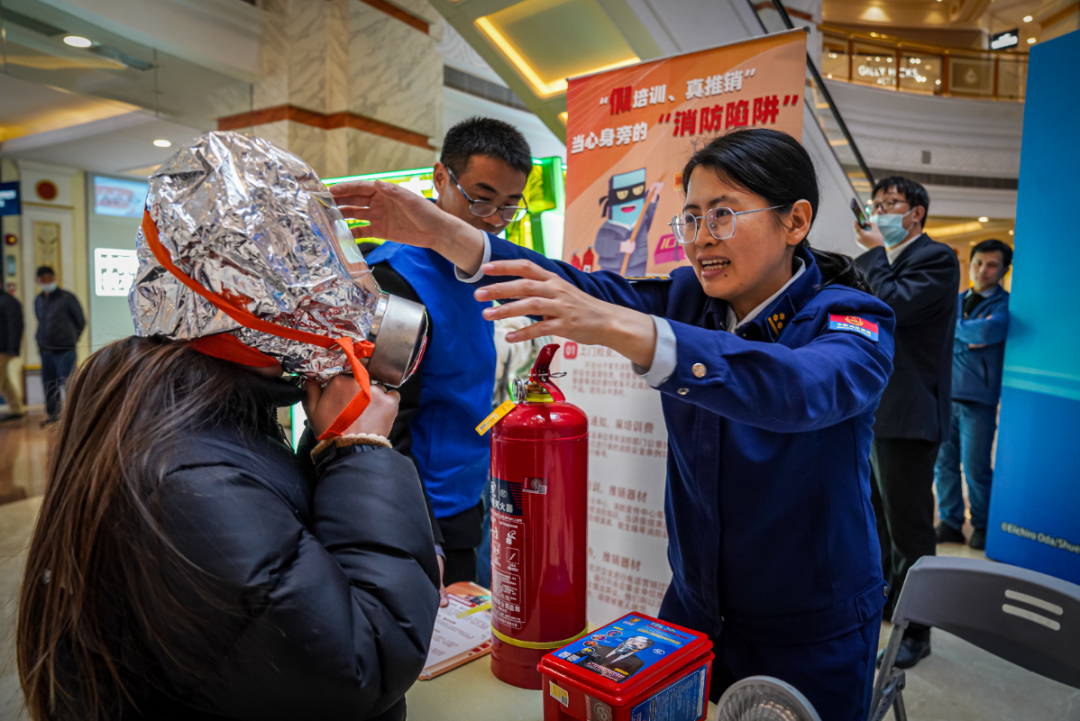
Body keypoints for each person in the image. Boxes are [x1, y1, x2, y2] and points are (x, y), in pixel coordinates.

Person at [333, 128, 897, 721]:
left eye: (724, 216)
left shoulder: (851, 316)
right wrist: (444, 233)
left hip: (809, 628)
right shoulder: (689, 299)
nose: (702, 240)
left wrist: (624, 328)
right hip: (693, 612)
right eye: (693, 218)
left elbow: (801, 389)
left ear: (795, 221)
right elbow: (573, 286)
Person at [17, 132, 440, 721]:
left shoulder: (194, 410)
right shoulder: (185, 478)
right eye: (309, 279)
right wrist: (361, 451)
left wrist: (333, 448)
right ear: (250, 304)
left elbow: (291, 562)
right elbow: (362, 659)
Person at [360, 117, 532, 598]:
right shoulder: (397, 283)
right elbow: (382, 427)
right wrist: (429, 541)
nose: (493, 219)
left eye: (508, 207)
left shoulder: (484, 273)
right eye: (480, 198)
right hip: (420, 511)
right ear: (440, 178)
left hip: (470, 492)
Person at [854, 176, 959, 670]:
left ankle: (917, 631)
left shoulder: (936, 258)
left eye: (889, 204)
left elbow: (894, 306)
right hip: (875, 410)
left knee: (910, 529)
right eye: (876, 205)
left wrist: (874, 252)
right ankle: (888, 608)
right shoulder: (883, 261)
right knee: (877, 521)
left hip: (911, 414)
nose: (879, 213)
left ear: (915, 213)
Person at [934, 239, 1012, 551]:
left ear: (1004, 269)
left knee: (976, 467)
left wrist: (957, 329)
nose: (983, 270)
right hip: (944, 396)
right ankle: (950, 521)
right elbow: (960, 333)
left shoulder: (1006, 305)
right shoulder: (954, 299)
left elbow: (985, 333)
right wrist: (966, 331)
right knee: (944, 465)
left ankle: (981, 524)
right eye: (978, 263)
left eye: (992, 265)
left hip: (979, 402)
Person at [33, 266, 85, 425]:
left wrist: (71, 339)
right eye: (43, 279)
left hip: (65, 350)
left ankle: (75, 417)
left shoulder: (67, 297)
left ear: (55, 278)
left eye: (49, 278)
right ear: (38, 281)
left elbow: (80, 321)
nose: (46, 282)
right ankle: (53, 416)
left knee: (69, 384)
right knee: (49, 385)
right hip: (45, 350)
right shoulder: (38, 300)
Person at [0, 285, 25, 422]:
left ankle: (16, 410)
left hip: (3, 349)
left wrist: (13, 348)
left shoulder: (9, 301)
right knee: (4, 381)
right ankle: (16, 410)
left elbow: (15, 326)